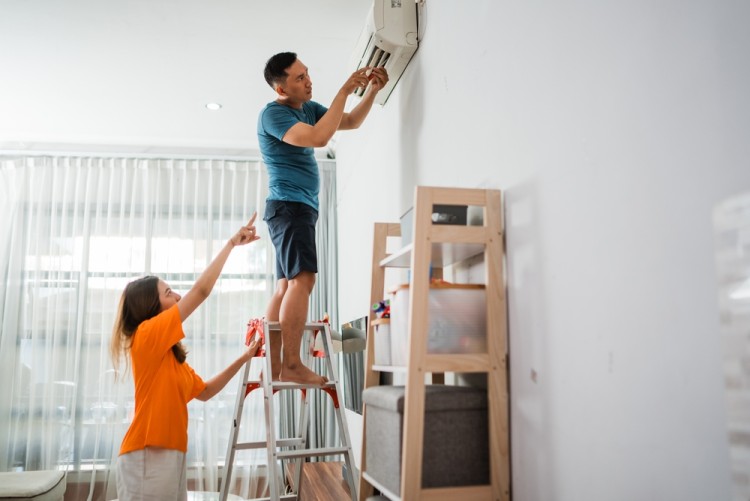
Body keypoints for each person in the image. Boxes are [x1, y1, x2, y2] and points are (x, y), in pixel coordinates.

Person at [257, 52, 388, 385]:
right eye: (299, 78)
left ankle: (275, 365)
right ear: (280, 87)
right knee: (303, 281)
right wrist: (343, 91)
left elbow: (351, 122)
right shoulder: (273, 114)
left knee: (286, 286)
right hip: (290, 207)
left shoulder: (307, 109)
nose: (308, 81)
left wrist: (371, 91)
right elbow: (318, 138)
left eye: (307, 74)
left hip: (293, 209)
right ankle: (290, 363)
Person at [110, 214, 262, 501]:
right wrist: (231, 243)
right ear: (151, 307)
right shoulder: (146, 335)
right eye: (169, 292)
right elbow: (201, 291)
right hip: (147, 454)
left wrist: (245, 358)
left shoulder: (168, 357)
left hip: (171, 454)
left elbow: (205, 391)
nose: (178, 297)